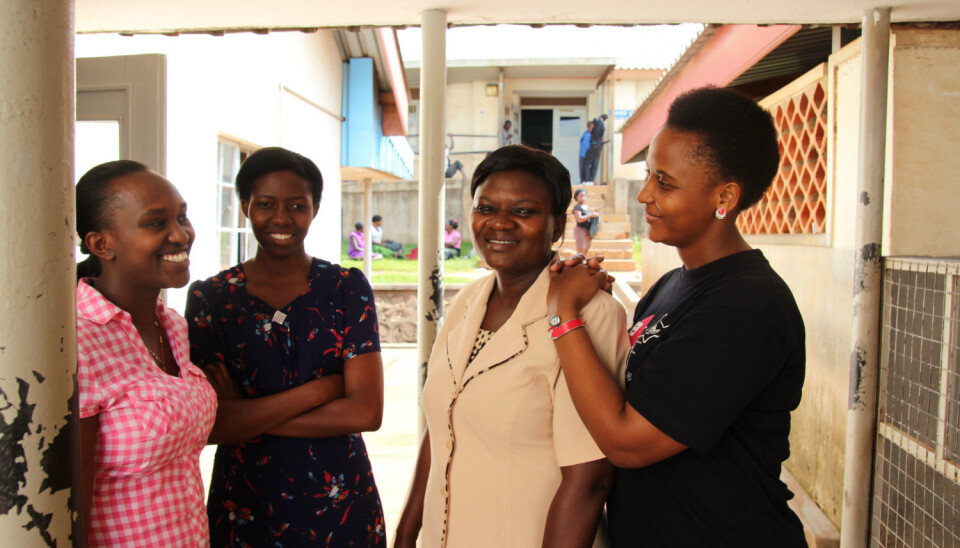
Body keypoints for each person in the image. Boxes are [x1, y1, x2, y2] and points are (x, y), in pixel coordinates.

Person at [547, 87, 807, 547]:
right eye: (649, 174)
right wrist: (595, 309)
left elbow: (628, 442)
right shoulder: (673, 285)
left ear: (724, 196)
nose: (645, 194)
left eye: (665, 183)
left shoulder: (747, 306)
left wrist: (563, 315)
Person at [394, 144, 630, 548]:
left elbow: (590, 479)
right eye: (486, 208)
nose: (499, 224)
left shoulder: (592, 316)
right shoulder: (467, 302)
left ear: (558, 226)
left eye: (523, 211)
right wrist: (405, 536)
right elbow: (441, 429)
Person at [185, 147, 387, 547]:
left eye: (297, 205)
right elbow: (210, 425)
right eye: (265, 204)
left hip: (339, 502)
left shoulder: (346, 288)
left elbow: (366, 411)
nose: (281, 218)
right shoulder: (213, 299)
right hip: (245, 502)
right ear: (245, 207)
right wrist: (324, 389)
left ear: (315, 209)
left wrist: (247, 416)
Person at [76, 160, 217, 546]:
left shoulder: (171, 325)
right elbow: (71, 498)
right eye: (156, 223)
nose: (180, 234)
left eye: (182, 217)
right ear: (101, 244)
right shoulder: (77, 342)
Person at [572, 188, 599, 255]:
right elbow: (579, 219)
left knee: (586, 248)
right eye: (581, 196)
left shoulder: (586, 207)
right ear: (576, 197)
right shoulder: (577, 207)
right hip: (580, 230)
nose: (583, 198)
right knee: (580, 250)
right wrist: (590, 215)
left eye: (584, 196)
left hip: (587, 230)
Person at [583, 114, 608, 184]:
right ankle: (591, 181)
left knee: (587, 162)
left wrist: (590, 130)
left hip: (593, 144)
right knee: (595, 163)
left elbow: (591, 127)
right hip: (599, 145)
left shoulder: (596, 120)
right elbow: (601, 136)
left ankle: (586, 180)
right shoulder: (603, 126)